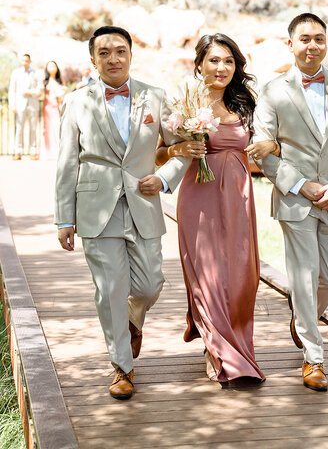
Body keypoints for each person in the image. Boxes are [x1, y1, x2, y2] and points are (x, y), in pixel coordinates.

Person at [55, 25, 190, 400]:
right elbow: (67, 163)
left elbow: (183, 147)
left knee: (149, 284)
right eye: (104, 53)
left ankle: (134, 317)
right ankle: (121, 367)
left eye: (120, 51)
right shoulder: (76, 102)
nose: (113, 58)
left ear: (131, 55)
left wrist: (163, 180)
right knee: (110, 288)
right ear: (93, 59)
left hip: (144, 203)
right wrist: (65, 218)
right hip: (96, 207)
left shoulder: (156, 97)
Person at [253, 13, 328, 392]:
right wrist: (300, 185)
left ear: (326, 43)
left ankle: (304, 317)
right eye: (304, 39)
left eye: (319, 38)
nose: (312, 45)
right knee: (303, 275)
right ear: (291, 44)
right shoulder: (272, 91)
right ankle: (313, 359)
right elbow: (264, 149)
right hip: (295, 199)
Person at [156, 33, 278, 383]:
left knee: (241, 275)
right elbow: (160, 153)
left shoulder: (245, 104)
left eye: (229, 61)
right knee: (208, 272)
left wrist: (273, 145)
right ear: (199, 65)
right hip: (200, 194)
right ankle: (216, 348)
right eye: (214, 60)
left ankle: (235, 341)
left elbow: (268, 143)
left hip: (239, 197)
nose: (222, 67)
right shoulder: (185, 106)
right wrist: (180, 150)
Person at [8, 53, 41, 160]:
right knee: (19, 129)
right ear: (21, 61)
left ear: (30, 61)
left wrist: (30, 92)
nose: (25, 63)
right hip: (20, 105)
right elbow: (12, 90)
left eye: (27, 61)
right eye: (23, 61)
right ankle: (18, 152)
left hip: (33, 105)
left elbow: (40, 89)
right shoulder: (15, 73)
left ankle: (33, 151)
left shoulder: (36, 73)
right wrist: (12, 105)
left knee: (33, 128)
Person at [40, 61, 67, 160]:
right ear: (47, 68)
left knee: (58, 127)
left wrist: (60, 96)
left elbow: (64, 93)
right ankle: (48, 152)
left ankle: (58, 151)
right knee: (48, 128)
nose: (52, 68)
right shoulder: (44, 80)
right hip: (48, 107)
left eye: (53, 66)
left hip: (58, 106)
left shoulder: (60, 80)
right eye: (50, 66)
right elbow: (40, 92)